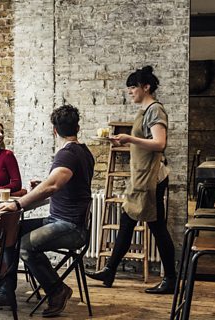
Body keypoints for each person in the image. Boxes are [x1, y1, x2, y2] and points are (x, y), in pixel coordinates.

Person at [0, 104, 95, 317]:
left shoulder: (67, 154)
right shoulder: (83, 152)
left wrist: (17, 204)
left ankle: (57, 290)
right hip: (62, 221)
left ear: (54, 130)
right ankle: (5, 291)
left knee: (26, 247)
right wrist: (43, 183)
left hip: (70, 226)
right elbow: (63, 183)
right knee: (10, 232)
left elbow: (52, 186)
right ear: (78, 126)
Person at [86, 66, 176, 294]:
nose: (130, 92)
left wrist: (129, 138)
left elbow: (159, 144)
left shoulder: (155, 111)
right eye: (129, 88)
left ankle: (171, 279)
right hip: (141, 178)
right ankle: (110, 270)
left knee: (157, 228)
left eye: (133, 87)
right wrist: (124, 142)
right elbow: (144, 142)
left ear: (146, 87)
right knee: (127, 222)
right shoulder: (144, 111)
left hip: (150, 179)